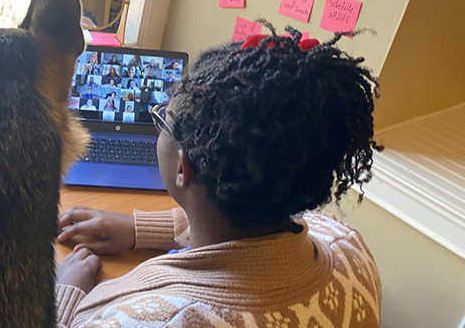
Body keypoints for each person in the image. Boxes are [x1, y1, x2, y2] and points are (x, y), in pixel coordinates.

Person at [54, 26, 382, 327]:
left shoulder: (150, 320)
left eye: (162, 120)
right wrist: (143, 230)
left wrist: (64, 294)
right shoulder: (349, 248)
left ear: (184, 168)